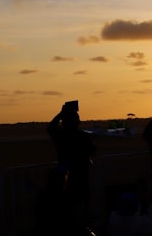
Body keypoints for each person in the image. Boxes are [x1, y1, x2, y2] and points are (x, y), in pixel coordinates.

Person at [46, 100, 97, 234]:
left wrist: (61, 114)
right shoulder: (82, 136)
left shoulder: (61, 136)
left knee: (67, 212)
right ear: (77, 122)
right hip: (81, 177)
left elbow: (50, 128)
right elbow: (93, 150)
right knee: (82, 212)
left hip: (66, 179)